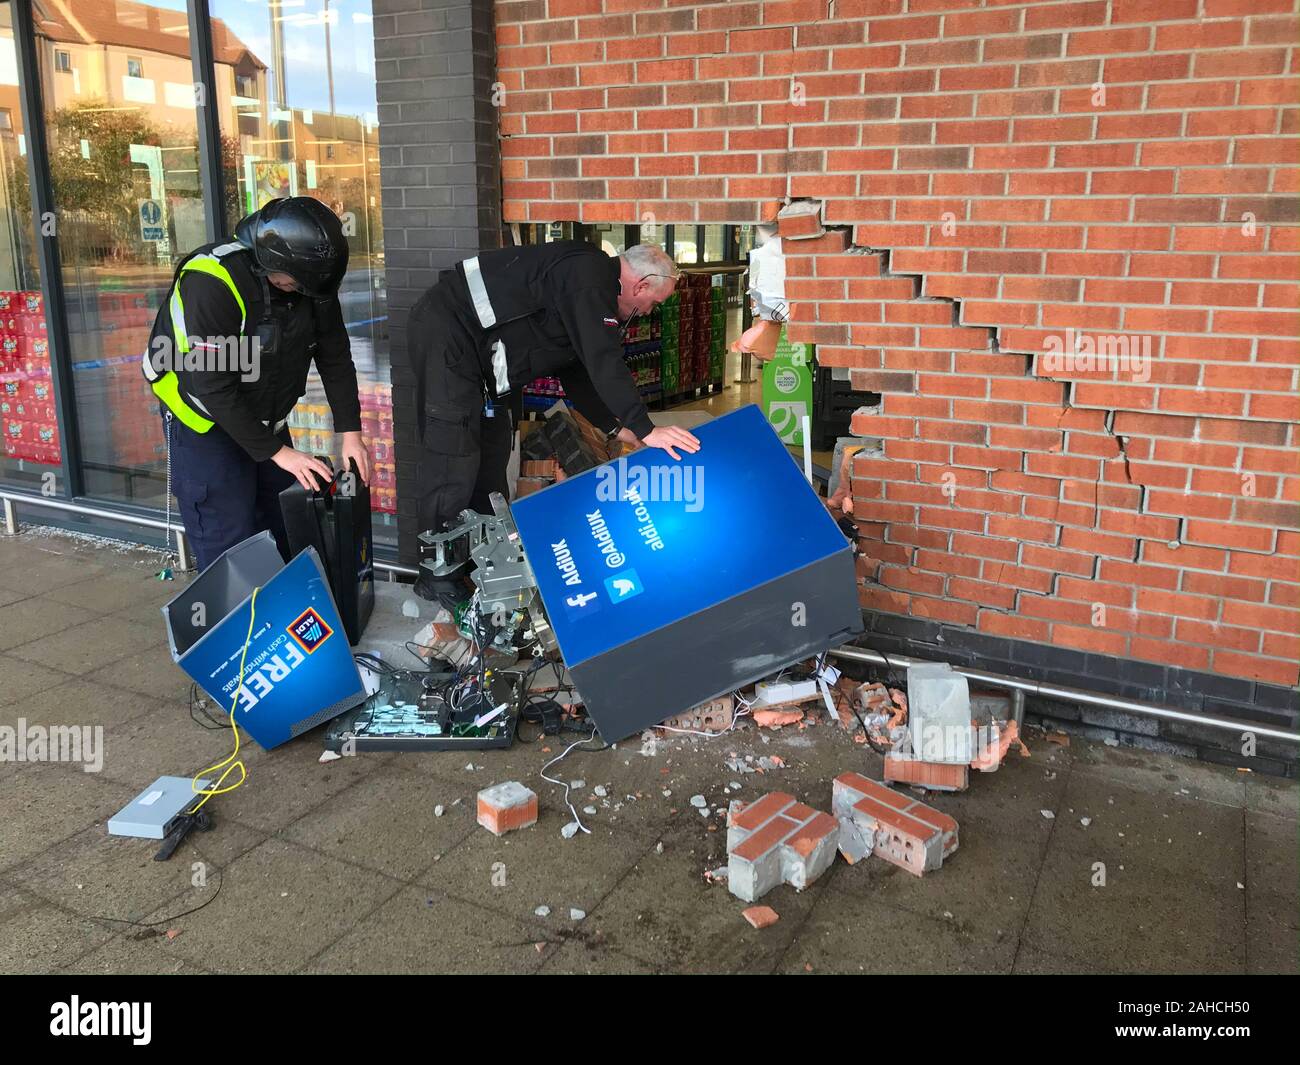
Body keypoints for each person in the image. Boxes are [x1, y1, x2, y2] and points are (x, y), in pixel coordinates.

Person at [409, 241, 700, 600]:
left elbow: (577, 373)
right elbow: (603, 360)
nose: (646, 313)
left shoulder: (587, 292)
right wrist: (646, 428)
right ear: (640, 285)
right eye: (652, 303)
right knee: (453, 453)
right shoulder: (590, 277)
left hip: (482, 357)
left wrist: (618, 427)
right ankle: (436, 574)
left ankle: (477, 561)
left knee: (493, 453)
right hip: (449, 335)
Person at [143, 196, 371, 571]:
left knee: (287, 527)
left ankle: (283, 624)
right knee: (230, 545)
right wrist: (280, 454)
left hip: (266, 420)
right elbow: (212, 386)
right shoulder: (211, 280)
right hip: (206, 425)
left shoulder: (310, 281)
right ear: (272, 263)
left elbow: (334, 355)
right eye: (294, 284)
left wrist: (350, 432)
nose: (299, 292)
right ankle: (233, 625)